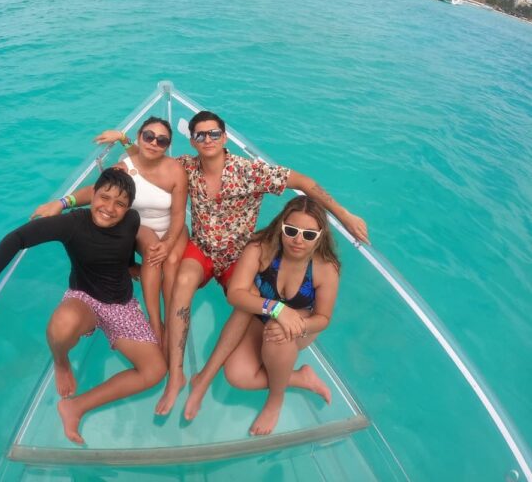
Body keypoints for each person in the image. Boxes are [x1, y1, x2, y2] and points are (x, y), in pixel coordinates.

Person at [123, 110, 369, 415]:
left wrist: (344, 215)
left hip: (237, 255)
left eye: (214, 133)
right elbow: (150, 157)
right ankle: (177, 376)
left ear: (224, 137)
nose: (208, 139)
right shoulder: (185, 167)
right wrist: (124, 141)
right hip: (201, 249)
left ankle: (203, 381)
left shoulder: (250, 172)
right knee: (182, 283)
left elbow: (303, 181)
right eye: (200, 135)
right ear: (193, 140)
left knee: (245, 302)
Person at [0, 168, 167, 444]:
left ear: (128, 207)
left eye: (120, 203)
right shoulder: (72, 224)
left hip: (121, 304)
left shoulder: (131, 220)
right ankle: (61, 362)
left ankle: (75, 406)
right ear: (92, 195)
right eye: (104, 197)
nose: (109, 208)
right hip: (85, 299)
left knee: (155, 371)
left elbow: (124, 246)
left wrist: (130, 266)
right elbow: (17, 238)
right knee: (62, 325)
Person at [182, 196, 339, 435]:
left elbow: (323, 318)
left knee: (280, 331)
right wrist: (277, 309)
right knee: (237, 376)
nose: (298, 240)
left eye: (309, 235)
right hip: (264, 316)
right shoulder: (260, 248)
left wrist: (297, 324)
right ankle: (300, 378)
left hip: (300, 326)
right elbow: (235, 294)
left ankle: (275, 401)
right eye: (291, 230)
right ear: (281, 226)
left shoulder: (325, 269)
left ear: (320, 237)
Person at [33, 117, 188, 348]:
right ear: (139, 136)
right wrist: (63, 202)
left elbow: (178, 216)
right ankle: (156, 322)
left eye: (162, 140)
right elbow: (96, 192)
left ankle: (173, 320)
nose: (154, 142)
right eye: (148, 136)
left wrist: (170, 242)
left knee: (172, 261)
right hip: (140, 227)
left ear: (167, 146)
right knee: (154, 251)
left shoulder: (176, 170)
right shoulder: (124, 168)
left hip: (173, 227)